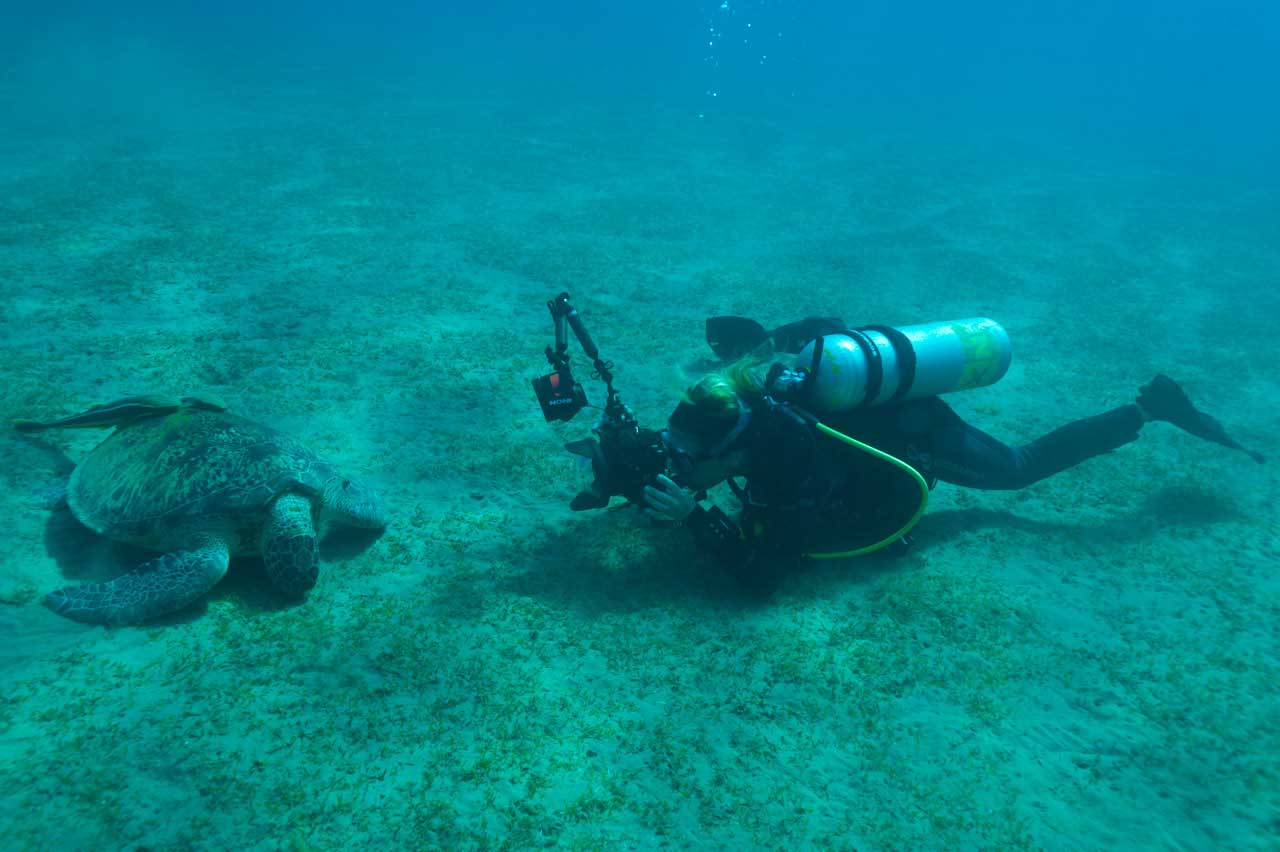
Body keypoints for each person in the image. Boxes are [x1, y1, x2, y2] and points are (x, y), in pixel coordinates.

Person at [642, 315, 1265, 595]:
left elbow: (760, 578)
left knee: (1018, 469)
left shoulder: (784, 464)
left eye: (694, 455)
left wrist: (694, 518)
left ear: (731, 449)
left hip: (917, 436)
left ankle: (1149, 408)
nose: (684, 462)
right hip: (867, 407)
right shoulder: (741, 401)